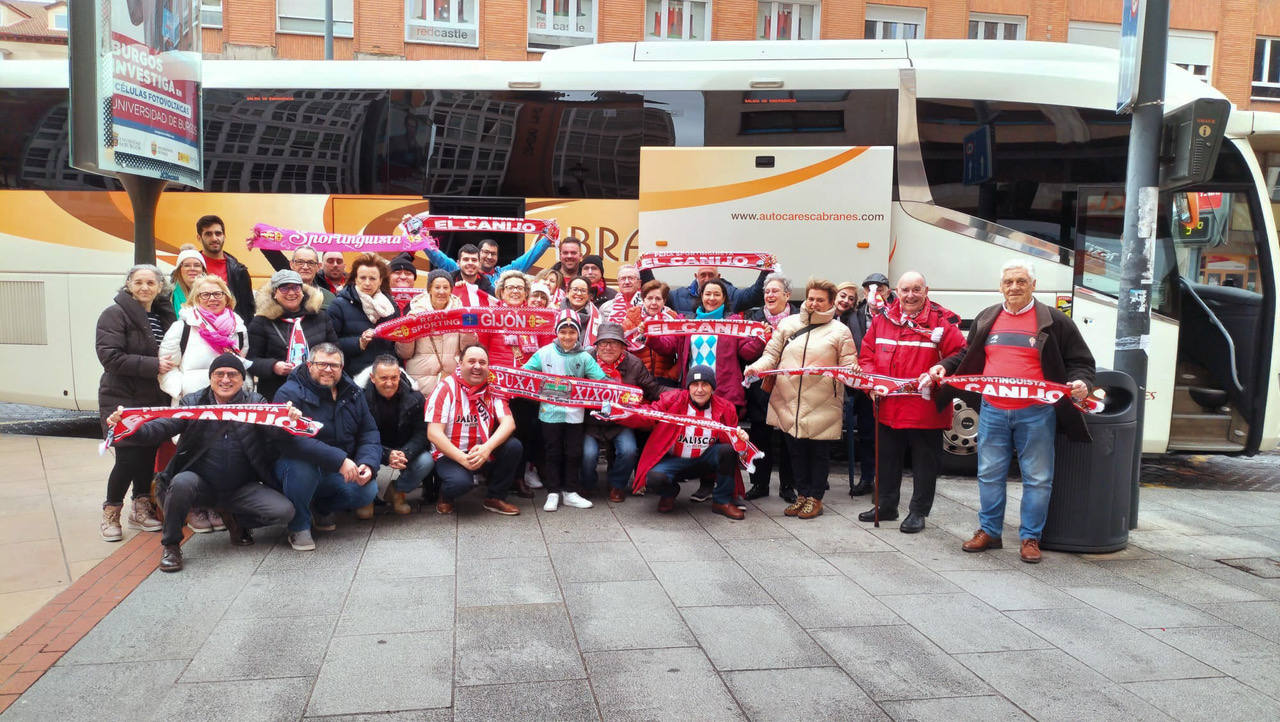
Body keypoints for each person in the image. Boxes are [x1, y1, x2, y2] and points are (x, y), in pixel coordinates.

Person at [938, 260, 1095, 563]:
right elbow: (964, 355)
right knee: (988, 474)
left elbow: (1081, 362)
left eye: (1021, 281)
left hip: (1037, 413)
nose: (1014, 288)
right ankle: (989, 532)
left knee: (1037, 477)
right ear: (1001, 286)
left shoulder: (1053, 320)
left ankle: (1030, 538)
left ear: (1033, 285)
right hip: (993, 409)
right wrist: (942, 367)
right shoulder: (988, 318)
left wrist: (1081, 382)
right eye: (1009, 282)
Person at [103, 354, 297, 572]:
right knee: (182, 483)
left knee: (284, 511)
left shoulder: (256, 403)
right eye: (219, 374)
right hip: (200, 483)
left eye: (232, 374)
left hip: (241, 487)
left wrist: (288, 422)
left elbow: (277, 434)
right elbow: (161, 427)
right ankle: (171, 546)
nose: (225, 380)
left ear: (243, 380)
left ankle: (236, 519)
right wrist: (130, 429)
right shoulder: (193, 402)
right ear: (211, 378)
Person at [856, 271, 967, 533]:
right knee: (887, 459)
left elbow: (961, 353)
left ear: (926, 291)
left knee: (924, 464)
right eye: (905, 290)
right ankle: (886, 505)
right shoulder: (884, 318)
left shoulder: (941, 320)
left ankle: (918, 512)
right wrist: (871, 385)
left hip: (924, 407)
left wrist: (941, 367)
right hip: (888, 404)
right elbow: (867, 354)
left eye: (916, 289)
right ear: (897, 290)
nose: (910, 295)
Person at [745, 279, 858, 519]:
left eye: (820, 300)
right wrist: (755, 368)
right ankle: (802, 495)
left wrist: (853, 374)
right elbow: (771, 355)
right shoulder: (788, 324)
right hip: (788, 401)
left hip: (822, 402)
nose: (815, 303)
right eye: (811, 298)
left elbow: (849, 367)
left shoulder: (840, 331)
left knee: (818, 452)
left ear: (830, 302)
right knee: (795, 450)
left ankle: (815, 498)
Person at [273, 343, 382, 551]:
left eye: (334, 365)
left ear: (342, 367)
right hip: (294, 466)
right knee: (303, 468)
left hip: (335, 467)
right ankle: (298, 524)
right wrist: (339, 460)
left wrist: (368, 463)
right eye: (322, 364)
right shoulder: (288, 393)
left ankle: (320, 507)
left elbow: (369, 432)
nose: (328, 370)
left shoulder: (354, 393)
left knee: (367, 490)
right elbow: (291, 441)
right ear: (309, 365)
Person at [95, 264, 176, 541]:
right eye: (138, 282)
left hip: (153, 397)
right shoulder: (114, 314)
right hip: (122, 397)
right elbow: (110, 357)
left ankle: (140, 508)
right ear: (128, 284)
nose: (144, 288)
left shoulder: (162, 315)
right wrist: (154, 365)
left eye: (150, 283)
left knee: (146, 456)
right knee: (128, 458)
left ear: (159, 287)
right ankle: (110, 513)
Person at [620, 366, 748, 520]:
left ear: (712, 388)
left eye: (705, 384)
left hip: (704, 460)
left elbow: (735, 444)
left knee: (727, 451)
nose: (699, 390)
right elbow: (648, 414)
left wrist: (741, 439)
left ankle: (722, 501)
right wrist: (622, 412)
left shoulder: (726, 408)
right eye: (695, 384)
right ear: (688, 387)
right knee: (654, 477)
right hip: (674, 460)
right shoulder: (672, 399)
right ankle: (669, 493)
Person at [425, 344, 523, 516]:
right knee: (460, 483)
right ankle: (445, 495)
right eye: (471, 361)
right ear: (460, 364)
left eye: (482, 362)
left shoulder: (493, 387)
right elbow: (433, 433)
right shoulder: (445, 388)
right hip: (450, 453)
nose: (477, 366)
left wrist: (487, 448)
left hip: (480, 449)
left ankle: (495, 497)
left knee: (513, 446)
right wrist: (462, 458)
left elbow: (509, 423)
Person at [523, 316, 608, 512]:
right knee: (552, 452)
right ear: (556, 332)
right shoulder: (544, 353)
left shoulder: (585, 356)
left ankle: (571, 491)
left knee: (573, 452)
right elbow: (524, 374)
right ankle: (553, 492)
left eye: (572, 332)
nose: (567, 336)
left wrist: (619, 389)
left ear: (578, 334)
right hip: (549, 413)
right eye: (563, 332)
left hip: (574, 414)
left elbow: (601, 380)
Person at [474, 270, 548, 495]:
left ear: (526, 292)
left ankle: (518, 477)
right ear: (501, 292)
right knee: (499, 432)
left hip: (526, 386)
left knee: (526, 431)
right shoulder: (491, 315)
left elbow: (545, 350)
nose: (515, 291)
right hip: (497, 386)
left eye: (520, 288)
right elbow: (482, 348)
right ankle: (494, 473)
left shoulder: (535, 317)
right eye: (510, 287)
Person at [582, 323, 664, 502]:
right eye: (604, 343)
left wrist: (682, 395)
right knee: (588, 454)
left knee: (628, 450)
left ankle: (617, 485)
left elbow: (653, 389)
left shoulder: (634, 363)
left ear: (623, 346)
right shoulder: (585, 359)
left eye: (614, 343)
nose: (608, 347)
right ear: (596, 345)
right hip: (591, 422)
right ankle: (587, 484)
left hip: (621, 421)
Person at [740, 273, 800, 503]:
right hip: (760, 389)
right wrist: (760, 339)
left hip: (790, 386)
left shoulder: (800, 319)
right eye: (766, 291)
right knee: (760, 437)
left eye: (775, 291)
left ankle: (788, 486)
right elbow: (743, 353)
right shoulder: (753, 318)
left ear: (787, 295)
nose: (770, 295)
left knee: (788, 437)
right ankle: (759, 484)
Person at [247, 269, 338, 402]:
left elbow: (335, 350)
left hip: (317, 389)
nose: (291, 293)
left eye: (296, 288)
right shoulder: (261, 321)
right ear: (274, 293)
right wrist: (273, 366)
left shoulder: (319, 317)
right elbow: (251, 361)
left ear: (302, 291)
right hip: (277, 391)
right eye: (284, 288)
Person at [160, 274, 249, 402]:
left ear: (227, 297)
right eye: (205, 295)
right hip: (191, 402)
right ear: (196, 299)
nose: (212, 299)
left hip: (229, 402)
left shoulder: (239, 329)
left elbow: (240, 364)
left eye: (218, 294)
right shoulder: (182, 327)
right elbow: (167, 366)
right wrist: (180, 390)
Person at [362, 355, 433, 515]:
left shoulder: (415, 397)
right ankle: (367, 496)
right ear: (372, 378)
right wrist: (387, 454)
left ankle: (396, 491)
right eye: (384, 378)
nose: (389, 383)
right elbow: (358, 436)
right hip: (371, 448)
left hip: (404, 447)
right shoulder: (359, 398)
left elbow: (421, 433)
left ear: (400, 375)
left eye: (394, 377)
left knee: (426, 461)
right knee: (364, 514)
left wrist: (404, 453)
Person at [398, 269, 471, 396]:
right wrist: (407, 335)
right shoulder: (415, 314)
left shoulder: (461, 313)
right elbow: (405, 354)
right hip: (420, 381)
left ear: (451, 290)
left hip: (451, 380)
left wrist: (468, 331)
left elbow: (467, 349)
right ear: (429, 289)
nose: (441, 292)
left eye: (445, 287)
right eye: (437, 287)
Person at [328, 253, 402, 376]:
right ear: (355, 279)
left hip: (385, 377)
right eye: (362, 278)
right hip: (352, 376)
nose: (367, 283)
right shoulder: (339, 305)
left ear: (380, 281)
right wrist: (359, 343)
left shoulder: (390, 306)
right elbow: (329, 343)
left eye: (372, 278)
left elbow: (395, 345)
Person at [836, 280, 876, 496]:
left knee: (867, 433)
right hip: (829, 383)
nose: (846, 301)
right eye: (843, 296)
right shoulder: (819, 314)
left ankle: (868, 478)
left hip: (856, 384)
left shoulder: (856, 317)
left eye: (851, 299)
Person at [423, 234, 553, 284]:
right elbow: (438, 258)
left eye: (493, 254)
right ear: (478, 254)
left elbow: (528, 258)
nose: (489, 257)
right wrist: (417, 233)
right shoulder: (461, 269)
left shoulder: (504, 274)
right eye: (486, 252)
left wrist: (548, 239)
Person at [640, 265, 768, 316]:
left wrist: (767, 270)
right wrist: (644, 268)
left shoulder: (732, 294)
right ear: (696, 277)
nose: (707, 279)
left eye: (711, 275)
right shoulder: (678, 295)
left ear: (719, 277)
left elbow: (755, 295)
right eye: (703, 275)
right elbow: (654, 293)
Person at [195, 214, 254, 323]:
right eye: (208, 234)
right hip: (198, 330)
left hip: (232, 332)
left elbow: (248, 311)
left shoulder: (239, 271)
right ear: (199, 237)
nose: (214, 238)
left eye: (218, 233)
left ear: (224, 236)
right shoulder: (191, 268)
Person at [623, 280, 681, 388]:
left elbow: (669, 348)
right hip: (637, 379)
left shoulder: (672, 319)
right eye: (649, 298)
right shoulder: (630, 319)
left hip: (664, 380)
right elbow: (623, 351)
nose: (653, 302)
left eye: (658, 299)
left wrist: (646, 337)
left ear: (664, 301)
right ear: (643, 300)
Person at [561, 276, 602, 346]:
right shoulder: (556, 312)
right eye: (575, 289)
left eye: (583, 291)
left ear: (589, 296)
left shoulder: (597, 317)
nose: (579, 293)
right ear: (567, 293)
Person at [169, 245, 206, 315]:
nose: (192, 268)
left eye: (197, 265)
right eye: (187, 265)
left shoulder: (213, 292)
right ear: (179, 270)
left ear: (203, 269)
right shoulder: (168, 295)